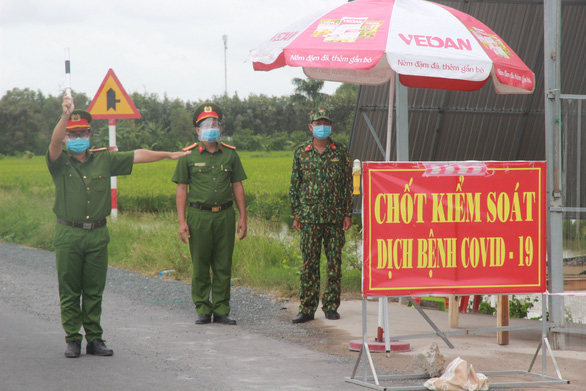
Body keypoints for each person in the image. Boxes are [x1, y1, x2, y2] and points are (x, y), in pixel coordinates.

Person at [47, 94, 190, 358]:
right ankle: (72, 339)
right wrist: (65, 115)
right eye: (73, 133)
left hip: (97, 234)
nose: (78, 137)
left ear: (90, 134)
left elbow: (137, 155)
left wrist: (168, 154)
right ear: (67, 137)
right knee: (69, 289)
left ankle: (95, 339)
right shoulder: (59, 162)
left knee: (93, 289)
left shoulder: (103, 159)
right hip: (68, 234)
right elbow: (54, 142)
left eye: (83, 132)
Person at [172, 102, 247, 326]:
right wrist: (181, 221)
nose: (211, 127)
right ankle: (203, 308)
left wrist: (243, 217)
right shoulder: (188, 156)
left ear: (221, 128)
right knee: (201, 263)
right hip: (199, 217)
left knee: (223, 264)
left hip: (225, 215)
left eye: (215, 123)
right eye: (206, 124)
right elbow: (181, 189)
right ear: (198, 130)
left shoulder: (230, 155)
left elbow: (237, 186)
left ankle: (222, 309)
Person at [289, 107, 353, 324]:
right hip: (309, 218)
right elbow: (295, 186)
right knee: (309, 264)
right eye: (318, 123)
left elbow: (347, 185)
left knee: (334, 263)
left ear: (331, 126)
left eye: (325, 123)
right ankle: (307, 308)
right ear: (311, 127)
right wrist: (296, 214)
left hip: (335, 218)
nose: (322, 127)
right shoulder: (301, 152)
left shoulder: (341, 152)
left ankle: (331, 305)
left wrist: (347, 213)